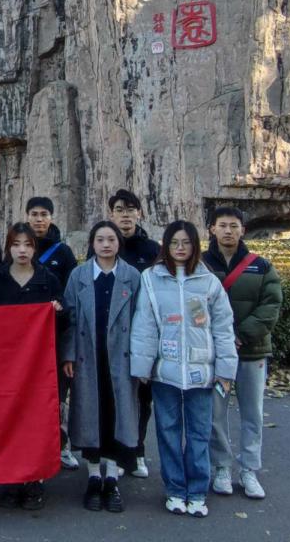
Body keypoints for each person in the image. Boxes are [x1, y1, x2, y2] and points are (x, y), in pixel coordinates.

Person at [130, 221, 237, 518]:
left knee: (200, 432)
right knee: (168, 431)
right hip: (165, 370)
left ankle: (197, 491)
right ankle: (175, 489)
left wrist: (225, 370)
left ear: (195, 246)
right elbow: (144, 325)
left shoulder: (208, 281)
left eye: (186, 242)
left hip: (201, 371)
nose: (180, 248)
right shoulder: (151, 278)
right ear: (165, 245)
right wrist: (142, 366)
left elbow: (223, 328)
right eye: (174, 242)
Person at [0, 222, 63, 511]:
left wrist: (57, 312)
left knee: (35, 422)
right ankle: (9, 480)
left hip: (37, 366)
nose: (22, 250)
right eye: (16, 244)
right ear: (8, 247)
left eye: (28, 244)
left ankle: (33, 481)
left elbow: (65, 320)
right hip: (2, 366)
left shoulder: (48, 280)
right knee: (6, 421)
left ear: (35, 248)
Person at [61, 221, 141, 513]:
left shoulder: (132, 276)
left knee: (116, 413)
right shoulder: (79, 275)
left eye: (111, 239)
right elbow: (70, 318)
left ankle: (112, 476)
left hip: (121, 357)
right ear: (92, 244)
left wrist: (142, 360)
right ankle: (94, 475)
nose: (106, 245)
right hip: (87, 355)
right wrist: (68, 355)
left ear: (119, 243)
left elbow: (142, 320)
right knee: (90, 412)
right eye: (100, 240)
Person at [204, 207, 282, 500]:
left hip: (251, 352)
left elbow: (271, 305)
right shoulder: (201, 264)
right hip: (214, 354)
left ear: (242, 230)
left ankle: (249, 469)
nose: (228, 231)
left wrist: (240, 335)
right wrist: (219, 338)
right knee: (215, 413)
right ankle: (221, 466)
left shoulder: (260, 266)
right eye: (222, 225)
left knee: (252, 413)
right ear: (212, 229)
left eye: (233, 226)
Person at [108, 188, 161, 479]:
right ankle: (117, 451)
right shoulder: (104, 244)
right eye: (119, 209)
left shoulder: (152, 250)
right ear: (111, 214)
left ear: (139, 213)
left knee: (142, 397)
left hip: (143, 335)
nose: (125, 215)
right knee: (114, 396)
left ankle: (138, 450)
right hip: (111, 335)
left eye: (130, 209)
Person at [25, 196, 79, 469]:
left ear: (51, 217)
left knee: (58, 396)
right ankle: (30, 446)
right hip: (24, 341)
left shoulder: (64, 253)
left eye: (44, 214)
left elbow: (71, 298)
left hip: (54, 337)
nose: (39, 219)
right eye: (34, 214)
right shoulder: (19, 247)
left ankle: (62, 445)